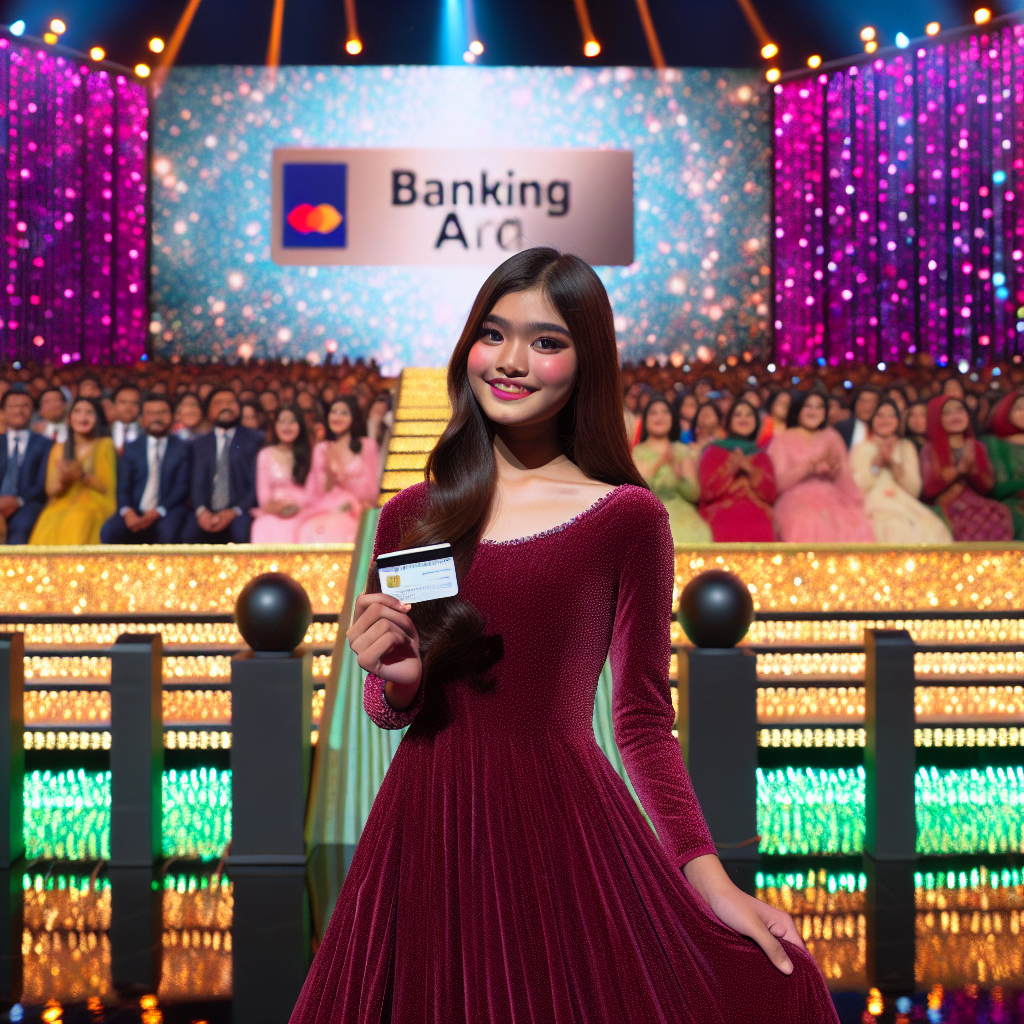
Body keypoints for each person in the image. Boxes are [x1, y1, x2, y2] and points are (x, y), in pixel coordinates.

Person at [290, 248, 836, 1024]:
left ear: (588, 363)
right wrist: (399, 678)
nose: (511, 362)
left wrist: (712, 885)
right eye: (494, 334)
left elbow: (642, 723)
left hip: (561, 828)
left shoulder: (627, 518)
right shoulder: (413, 515)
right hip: (426, 826)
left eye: (546, 342)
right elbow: (390, 706)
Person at [768, 390, 874, 542]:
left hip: (832, 496)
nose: (813, 411)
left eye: (819, 407)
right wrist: (808, 469)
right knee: (805, 520)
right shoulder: (783, 439)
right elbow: (778, 484)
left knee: (855, 524)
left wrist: (835, 473)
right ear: (797, 410)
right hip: (796, 499)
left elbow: (845, 477)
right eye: (808, 406)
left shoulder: (832, 437)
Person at [850, 400, 952, 544]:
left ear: (898, 421)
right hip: (874, 503)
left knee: (932, 526)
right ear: (872, 419)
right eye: (880, 415)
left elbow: (913, 489)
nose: (885, 420)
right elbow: (858, 486)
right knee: (893, 526)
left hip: (904, 502)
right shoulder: (862, 447)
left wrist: (892, 464)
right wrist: (877, 463)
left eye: (891, 416)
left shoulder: (905, 447)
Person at [100, 394, 192, 544]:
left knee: (167, 532)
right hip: (135, 509)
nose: (156, 418)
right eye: (151, 413)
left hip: (168, 509)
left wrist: (156, 512)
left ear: (173, 417)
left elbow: (182, 487)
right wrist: (128, 513)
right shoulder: (132, 448)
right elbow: (123, 486)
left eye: (162, 412)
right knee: (110, 530)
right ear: (142, 418)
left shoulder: (183, 448)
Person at [920, 395, 1013, 541]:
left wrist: (973, 470)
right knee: (965, 516)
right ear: (935, 418)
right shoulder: (930, 449)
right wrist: (959, 470)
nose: (955, 416)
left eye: (960, 410)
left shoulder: (977, 446)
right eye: (947, 412)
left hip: (976, 501)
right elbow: (929, 489)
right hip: (944, 503)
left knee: (998, 511)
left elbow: (987, 487)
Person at [29, 397, 116, 545]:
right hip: (63, 502)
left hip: (95, 502)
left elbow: (106, 487)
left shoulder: (105, 445)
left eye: (89, 412)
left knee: (79, 518)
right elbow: (51, 491)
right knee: (48, 518)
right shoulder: (59, 448)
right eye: (77, 412)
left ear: (98, 418)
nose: (83, 417)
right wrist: (65, 480)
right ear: (69, 419)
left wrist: (82, 476)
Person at [181, 389, 262, 544]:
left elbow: (256, 484)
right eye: (219, 403)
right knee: (188, 535)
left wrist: (233, 511)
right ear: (208, 411)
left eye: (230, 402)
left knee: (241, 533)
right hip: (206, 510)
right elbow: (193, 482)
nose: (226, 407)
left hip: (241, 510)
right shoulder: (198, 444)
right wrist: (201, 511)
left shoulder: (255, 440)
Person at [298, 396, 381, 543]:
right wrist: (330, 472)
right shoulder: (322, 449)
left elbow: (371, 490)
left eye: (343, 413)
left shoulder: (367, 446)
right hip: (327, 509)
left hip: (359, 511)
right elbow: (317, 492)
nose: (337, 417)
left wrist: (348, 498)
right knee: (312, 529)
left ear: (353, 417)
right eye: (333, 412)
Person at [631, 396, 711, 544]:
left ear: (672, 418)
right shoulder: (636, 453)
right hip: (648, 519)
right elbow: (636, 493)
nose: (659, 416)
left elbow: (694, 494)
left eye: (665, 412)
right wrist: (659, 463)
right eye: (653, 413)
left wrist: (678, 473)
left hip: (684, 519)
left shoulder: (682, 451)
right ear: (645, 420)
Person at [698, 399, 777, 541]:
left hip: (757, 510)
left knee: (764, 527)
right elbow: (707, 491)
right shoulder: (714, 450)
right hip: (721, 510)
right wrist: (731, 468)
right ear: (729, 421)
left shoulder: (761, 454)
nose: (744, 418)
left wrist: (749, 469)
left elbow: (770, 494)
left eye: (749, 415)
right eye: (738, 415)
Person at [251, 406, 314, 544]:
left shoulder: (310, 454)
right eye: (282, 421)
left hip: (305, 510)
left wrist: (296, 507)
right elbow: (263, 496)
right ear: (275, 426)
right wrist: (279, 508)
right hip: (274, 511)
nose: (287, 426)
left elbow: (314, 491)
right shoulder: (265, 454)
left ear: (300, 426)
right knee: (262, 525)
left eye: (292, 421)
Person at [0, 389, 53, 544]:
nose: (18, 411)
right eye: (12, 406)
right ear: (3, 412)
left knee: (21, 526)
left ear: (33, 411)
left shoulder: (45, 444)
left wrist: (18, 501)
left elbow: (43, 482)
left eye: (25, 406)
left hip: (28, 502)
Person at [984, 390, 1024, 538]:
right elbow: (997, 486)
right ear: (1006, 411)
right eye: (1019, 408)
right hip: (1009, 506)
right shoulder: (993, 443)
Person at [110, 384, 142, 455]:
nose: (128, 407)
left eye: (134, 403)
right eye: (123, 402)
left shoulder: (146, 433)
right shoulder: (102, 433)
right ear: (114, 405)